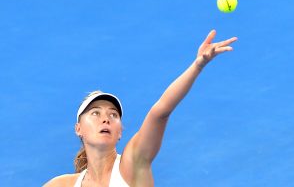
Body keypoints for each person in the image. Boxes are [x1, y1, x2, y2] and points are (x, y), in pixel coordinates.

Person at [43, 30, 237, 187]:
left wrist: (198, 65)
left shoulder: (132, 164)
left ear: (120, 132)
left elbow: (160, 112)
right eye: (95, 113)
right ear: (78, 129)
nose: (106, 119)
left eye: (113, 115)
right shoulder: (61, 185)